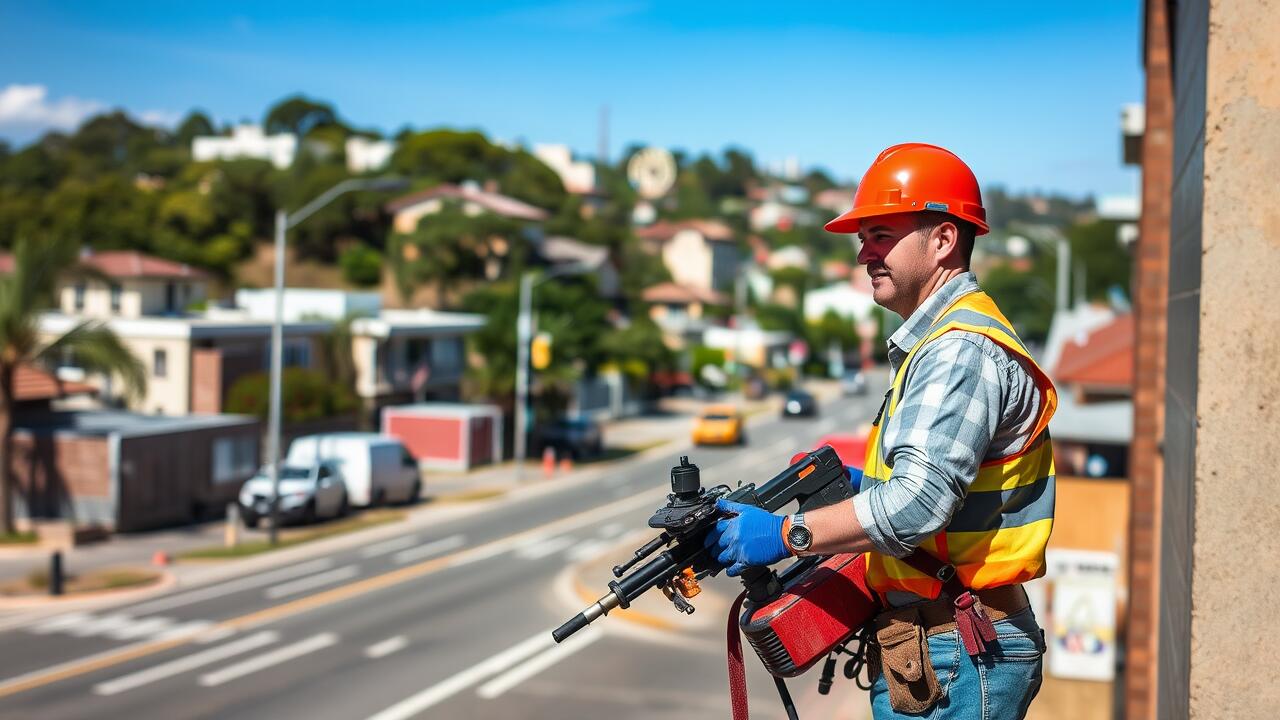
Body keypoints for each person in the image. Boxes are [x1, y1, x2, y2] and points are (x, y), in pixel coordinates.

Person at [705, 143, 1057, 719]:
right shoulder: (937, 343)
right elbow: (930, 489)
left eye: (882, 235)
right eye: (862, 239)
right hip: (939, 646)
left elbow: (917, 505)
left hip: (958, 649)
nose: (865, 253)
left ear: (943, 240)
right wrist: (860, 485)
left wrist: (788, 533)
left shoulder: (957, 350)